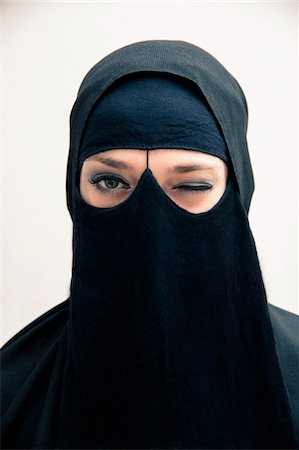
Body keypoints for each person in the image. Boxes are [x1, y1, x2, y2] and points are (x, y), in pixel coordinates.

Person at [1, 40, 299, 450]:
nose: (149, 216)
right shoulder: (12, 392)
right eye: (110, 181)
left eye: (191, 185)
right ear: (74, 189)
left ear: (237, 192)